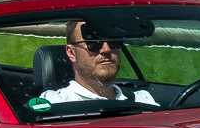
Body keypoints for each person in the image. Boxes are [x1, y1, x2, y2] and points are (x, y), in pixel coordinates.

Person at [28, 18, 160, 112]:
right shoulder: (55, 103)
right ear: (71, 53)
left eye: (114, 41)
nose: (106, 49)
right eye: (93, 43)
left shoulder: (143, 100)